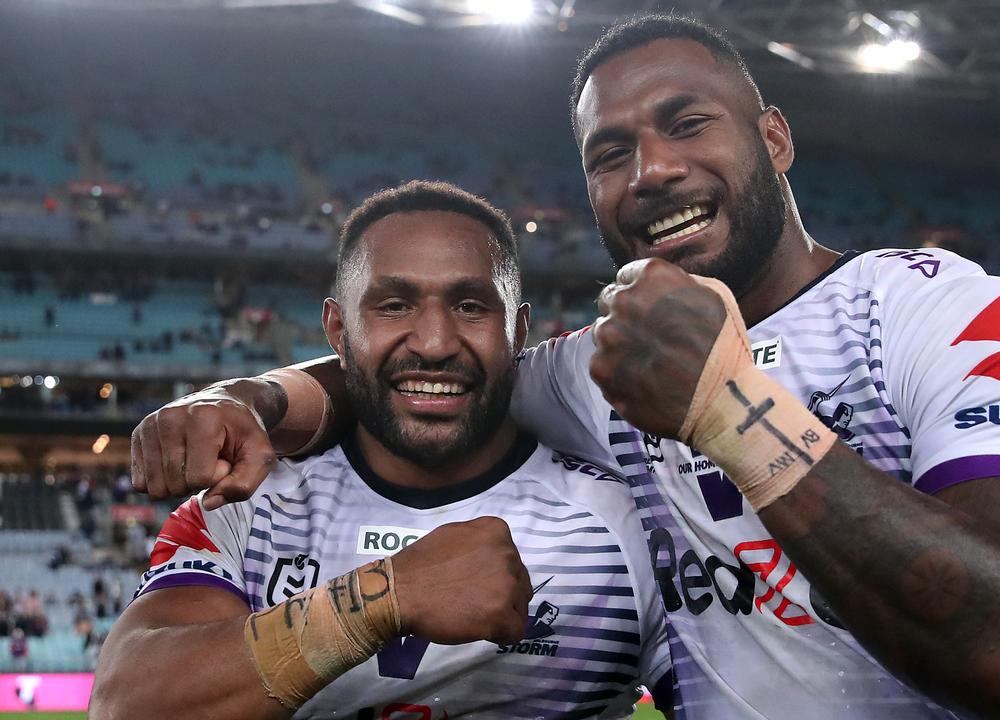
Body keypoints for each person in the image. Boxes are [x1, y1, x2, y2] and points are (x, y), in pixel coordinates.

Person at [128, 15, 1000, 720]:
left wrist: (729, 412)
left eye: (686, 124)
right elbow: (431, 373)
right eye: (610, 152)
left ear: (772, 137)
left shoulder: (950, 316)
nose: (650, 170)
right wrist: (247, 398)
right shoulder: (599, 369)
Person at [94, 181, 672, 719]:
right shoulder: (244, 503)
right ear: (339, 330)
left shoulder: (625, 526)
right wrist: (380, 600)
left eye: (471, 305)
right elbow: (126, 703)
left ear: (518, 333)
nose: (435, 343)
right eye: (394, 305)